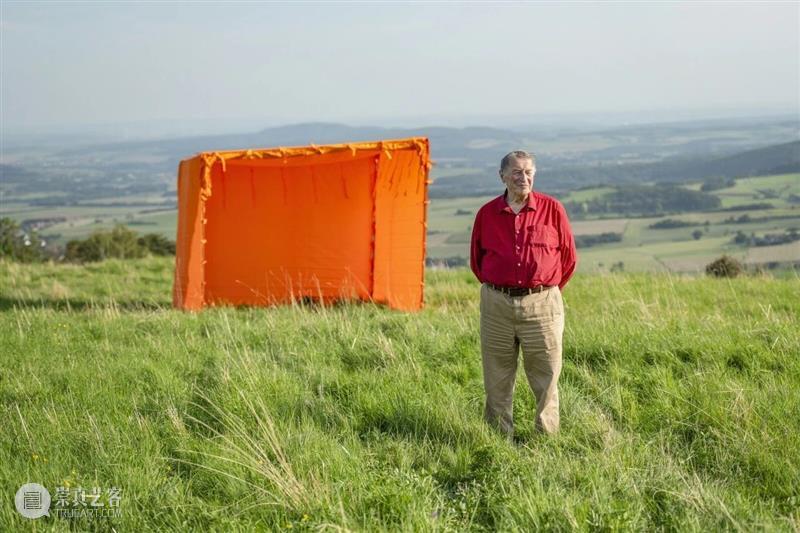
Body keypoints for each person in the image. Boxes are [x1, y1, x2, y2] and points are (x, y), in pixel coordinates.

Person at [469, 150, 577, 437]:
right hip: (497, 306)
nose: (523, 177)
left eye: (529, 171)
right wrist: (502, 287)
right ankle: (498, 439)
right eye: (516, 172)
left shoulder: (553, 210)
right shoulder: (487, 214)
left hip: (543, 304)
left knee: (547, 377)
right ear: (502, 176)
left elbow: (568, 260)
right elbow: (477, 261)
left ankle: (546, 438)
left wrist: (540, 290)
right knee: (497, 377)